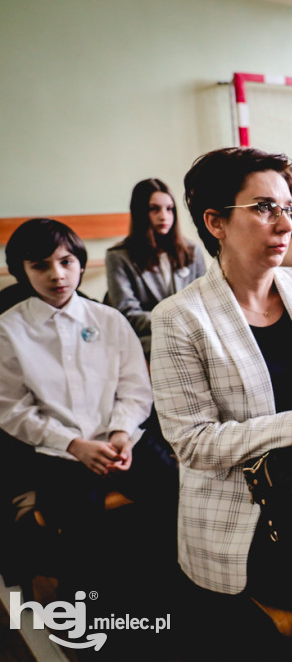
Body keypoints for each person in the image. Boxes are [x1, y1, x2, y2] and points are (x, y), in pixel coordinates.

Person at [149, 148, 292, 643]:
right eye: (264, 207)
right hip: (253, 522)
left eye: (289, 208)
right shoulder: (180, 317)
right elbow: (193, 442)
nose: (285, 223)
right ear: (216, 222)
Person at [0, 219, 174, 594]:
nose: (57, 275)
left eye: (66, 261)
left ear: (80, 262)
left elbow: (135, 389)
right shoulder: (8, 330)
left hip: (122, 440)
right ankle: (89, 605)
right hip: (60, 453)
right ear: (22, 272)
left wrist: (122, 434)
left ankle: (163, 586)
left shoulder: (109, 320)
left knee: (176, 495)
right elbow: (11, 408)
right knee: (82, 528)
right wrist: (75, 445)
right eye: (40, 265)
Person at [105, 178, 206, 355]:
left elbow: (205, 299)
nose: (164, 216)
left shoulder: (192, 251)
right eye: (154, 209)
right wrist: (174, 322)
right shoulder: (118, 256)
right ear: (140, 212)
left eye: (169, 209)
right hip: (150, 338)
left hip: (192, 333)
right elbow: (127, 313)